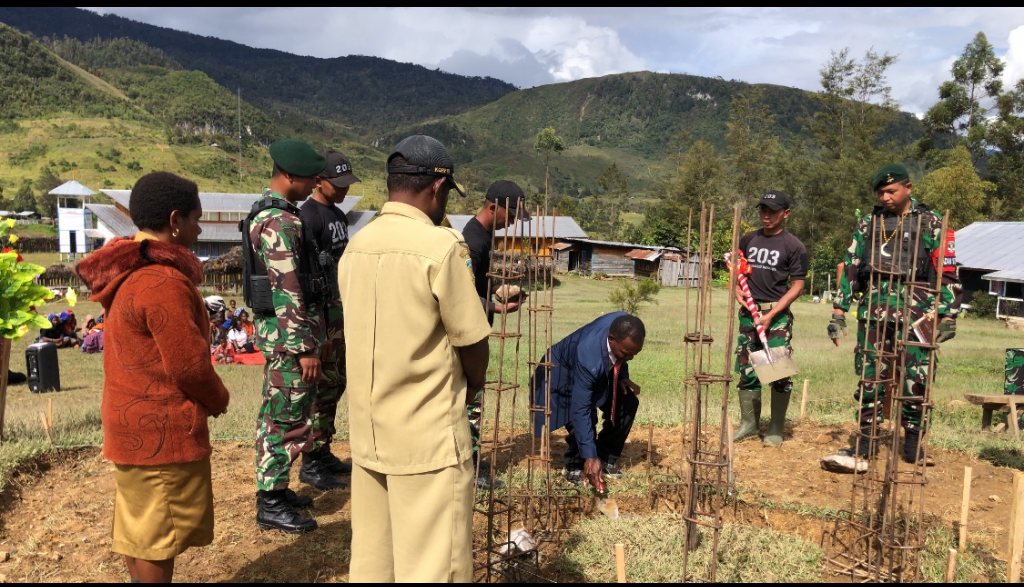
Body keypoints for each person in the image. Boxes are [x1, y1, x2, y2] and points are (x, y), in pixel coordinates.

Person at [339, 135, 490, 582]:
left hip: (369, 435)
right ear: (438, 187)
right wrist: (474, 384)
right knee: (434, 566)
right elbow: (472, 341)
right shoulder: (441, 248)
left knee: (373, 562)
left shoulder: (357, 246)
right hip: (428, 438)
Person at [74, 171, 230, 583]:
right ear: (175, 220)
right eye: (197, 219)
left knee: (140, 531)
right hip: (160, 430)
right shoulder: (162, 280)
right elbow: (188, 366)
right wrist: (219, 398)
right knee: (156, 537)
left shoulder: (128, 269)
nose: (199, 229)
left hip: (129, 422)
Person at [826, 163, 961, 467]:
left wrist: (949, 314)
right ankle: (867, 440)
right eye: (880, 192)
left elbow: (948, 272)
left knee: (917, 378)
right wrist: (839, 311)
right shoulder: (868, 223)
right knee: (870, 376)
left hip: (918, 313)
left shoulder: (932, 224)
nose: (885, 197)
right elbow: (850, 265)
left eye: (891, 190)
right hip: (874, 310)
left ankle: (912, 444)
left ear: (908, 188)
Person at [246, 139, 337, 534]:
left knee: (280, 414)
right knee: (286, 420)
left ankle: (277, 491)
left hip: (281, 336)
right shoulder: (280, 222)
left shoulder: (270, 214)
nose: (313, 184)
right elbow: (288, 289)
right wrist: (304, 348)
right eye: (308, 178)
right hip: (289, 340)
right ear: (287, 176)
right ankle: (270, 502)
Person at [460, 180, 530, 490]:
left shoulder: (485, 238)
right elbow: (461, 293)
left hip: (477, 327)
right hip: (467, 332)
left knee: (473, 396)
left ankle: (472, 457)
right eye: (511, 216)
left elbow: (478, 286)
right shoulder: (472, 242)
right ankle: (469, 467)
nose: (513, 223)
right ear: (493, 208)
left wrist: (499, 293)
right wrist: (499, 309)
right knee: (470, 398)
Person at [299, 149, 360, 478]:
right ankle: (310, 459)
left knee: (335, 382)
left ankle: (323, 450)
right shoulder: (308, 216)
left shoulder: (337, 215)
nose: (344, 188)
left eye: (347, 182)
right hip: (320, 313)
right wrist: (315, 326)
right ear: (318, 181)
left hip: (340, 309)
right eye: (338, 183)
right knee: (321, 386)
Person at [532, 312, 645, 487]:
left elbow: (622, 356)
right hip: (561, 373)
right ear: (611, 338)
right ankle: (575, 465)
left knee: (627, 402)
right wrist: (589, 456)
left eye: (634, 354)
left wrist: (622, 374)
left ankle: (605, 457)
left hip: (596, 368)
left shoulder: (624, 322)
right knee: (581, 415)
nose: (629, 358)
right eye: (625, 353)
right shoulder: (589, 356)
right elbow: (581, 408)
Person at [731, 191, 807, 446]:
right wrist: (736, 289)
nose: (766, 215)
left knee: (777, 370)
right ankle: (749, 425)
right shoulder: (748, 239)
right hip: (749, 314)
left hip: (776, 316)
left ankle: (775, 428)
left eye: (773, 211)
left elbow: (797, 286)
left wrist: (772, 314)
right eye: (763, 209)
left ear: (785, 213)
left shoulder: (793, 246)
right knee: (748, 368)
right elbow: (736, 270)